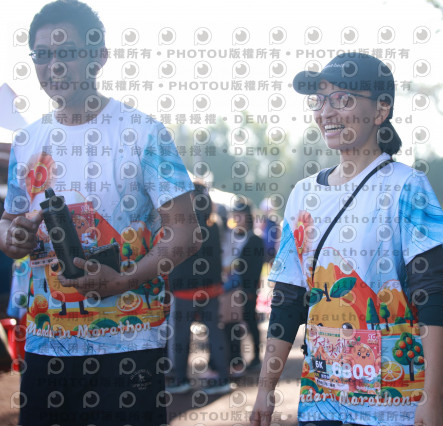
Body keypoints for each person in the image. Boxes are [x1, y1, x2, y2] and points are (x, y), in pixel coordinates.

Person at [0, 1, 199, 424]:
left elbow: (185, 233)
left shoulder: (143, 133)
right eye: (42, 55)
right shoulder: (27, 140)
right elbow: (10, 222)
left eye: (67, 53)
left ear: (99, 56)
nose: (54, 66)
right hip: (46, 342)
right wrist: (13, 237)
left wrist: (124, 279)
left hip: (129, 344)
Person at [251, 53, 443, 426]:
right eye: (319, 100)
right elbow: (288, 300)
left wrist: (433, 398)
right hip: (321, 402)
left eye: (342, 99)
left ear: (380, 110)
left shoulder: (408, 187)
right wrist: (266, 388)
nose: (326, 111)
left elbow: (430, 296)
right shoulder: (303, 194)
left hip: (392, 406)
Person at [166, 183, 232, 395]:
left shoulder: (182, 225)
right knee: (215, 332)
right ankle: (223, 377)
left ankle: (181, 379)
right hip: (211, 288)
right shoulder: (214, 225)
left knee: (182, 336)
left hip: (185, 290)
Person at [224, 198, 264, 371]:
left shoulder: (255, 239)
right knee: (233, 322)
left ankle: (256, 357)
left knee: (250, 321)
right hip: (232, 288)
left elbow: (256, 268)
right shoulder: (231, 236)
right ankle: (236, 358)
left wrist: (250, 290)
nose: (237, 218)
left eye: (240, 215)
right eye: (235, 215)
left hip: (247, 289)